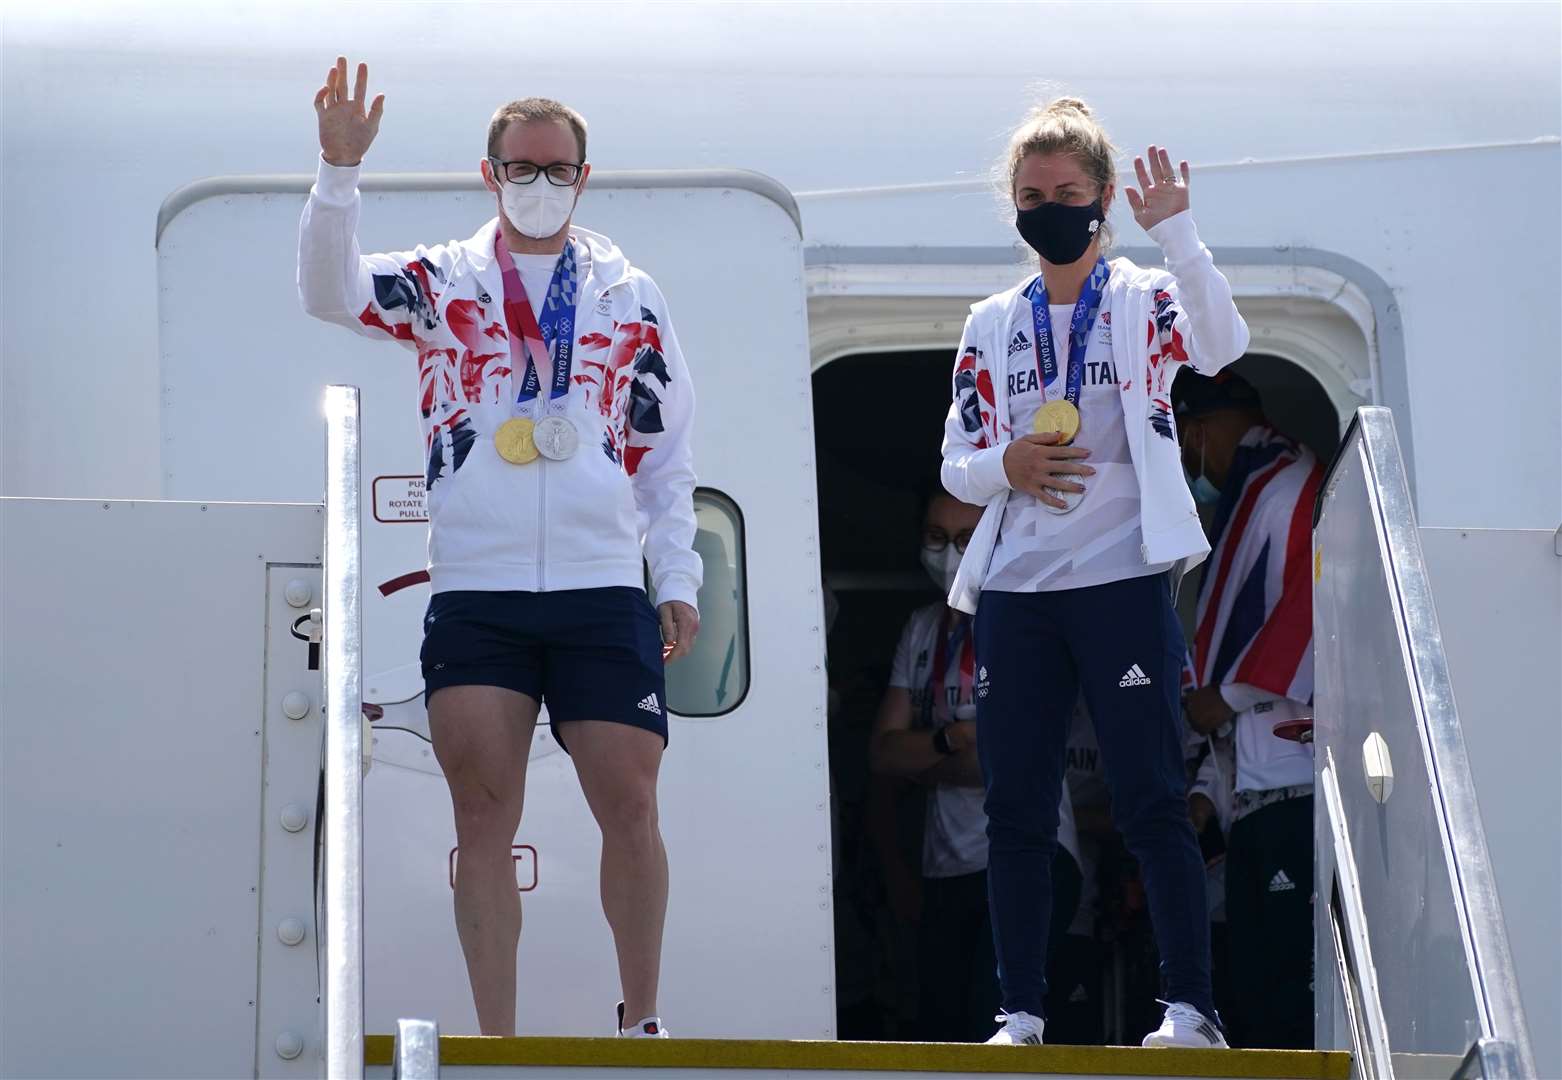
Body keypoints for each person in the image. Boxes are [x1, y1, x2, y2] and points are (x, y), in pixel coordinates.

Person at [298, 58, 702, 1038]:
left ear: (582, 176)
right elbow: (329, 291)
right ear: (489, 174)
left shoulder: (627, 294)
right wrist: (337, 175)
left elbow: (666, 447)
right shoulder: (444, 283)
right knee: (480, 817)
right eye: (521, 168)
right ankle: (496, 1039)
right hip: (478, 590)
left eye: (557, 170)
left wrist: (676, 574)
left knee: (630, 805)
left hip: (601, 584)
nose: (539, 185)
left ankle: (641, 1019)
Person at [939, 96, 1250, 1049]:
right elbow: (957, 462)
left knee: (1151, 794)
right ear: (1014, 207)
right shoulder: (992, 321)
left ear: (1103, 199)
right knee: (1016, 807)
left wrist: (1180, 236)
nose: (1050, 209)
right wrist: (1010, 466)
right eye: (1032, 196)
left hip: (1120, 580)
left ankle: (1190, 1010)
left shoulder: (1140, 298)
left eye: (1067, 193)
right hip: (1020, 593)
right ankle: (1020, 1012)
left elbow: (1222, 345)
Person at [867, 488, 1081, 1043]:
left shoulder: (1030, 623)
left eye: (965, 539)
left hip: (1033, 854)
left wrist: (924, 760)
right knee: (942, 1033)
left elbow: (1006, 767)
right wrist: (951, 739)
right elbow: (882, 754)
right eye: (937, 538)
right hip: (944, 866)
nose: (948, 552)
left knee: (998, 1022)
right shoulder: (921, 628)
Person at [1175, 370, 1323, 1050]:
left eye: (1185, 445)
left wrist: (1226, 695)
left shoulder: (1290, 482)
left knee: (1287, 1008)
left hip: (1294, 796)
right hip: (1249, 806)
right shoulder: (1243, 500)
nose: (1189, 463)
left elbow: (1306, 610)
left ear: (1199, 432)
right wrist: (1207, 792)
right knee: (1254, 1005)